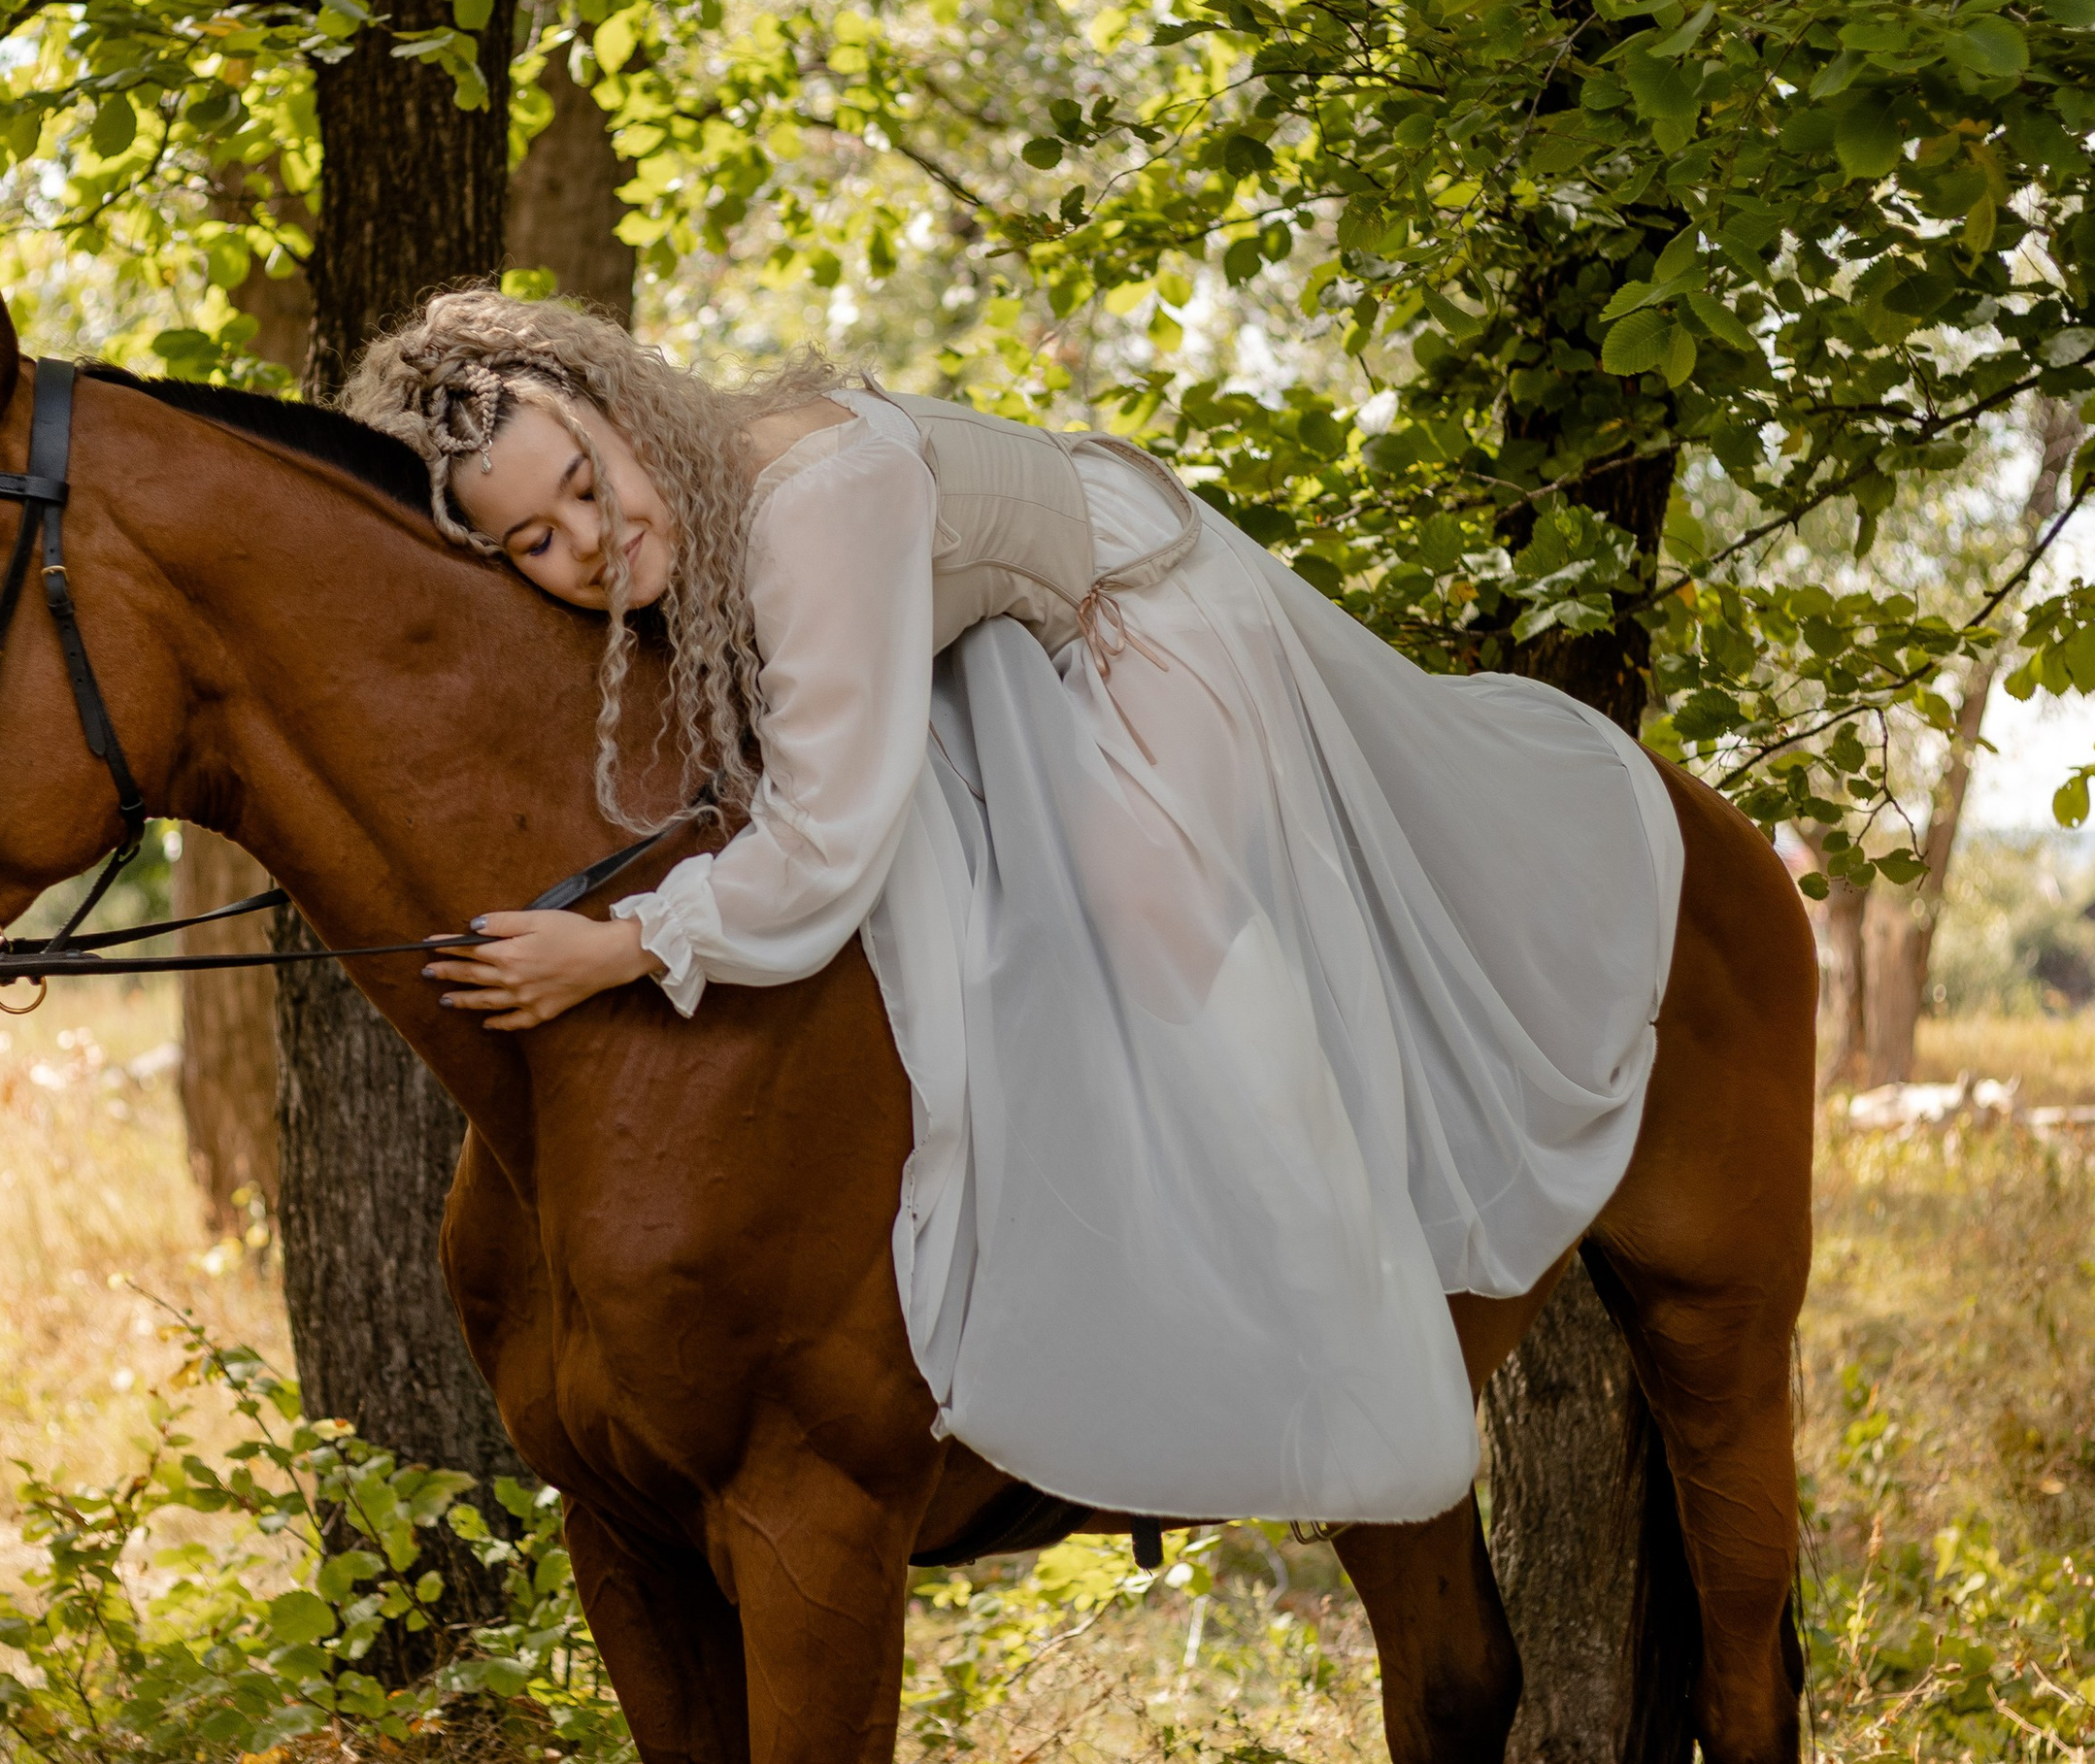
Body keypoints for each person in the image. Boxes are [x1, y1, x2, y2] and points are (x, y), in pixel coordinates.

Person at [344, 291, 1683, 1526]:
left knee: (1136, 903)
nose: (588, 542)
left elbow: (824, 836)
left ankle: (1328, 1304)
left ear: (626, 415)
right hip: (966, 640)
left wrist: (625, 943)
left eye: (586, 486)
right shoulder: (680, 514)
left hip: (1124, 605)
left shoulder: (812, 501)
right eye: (534, 537)